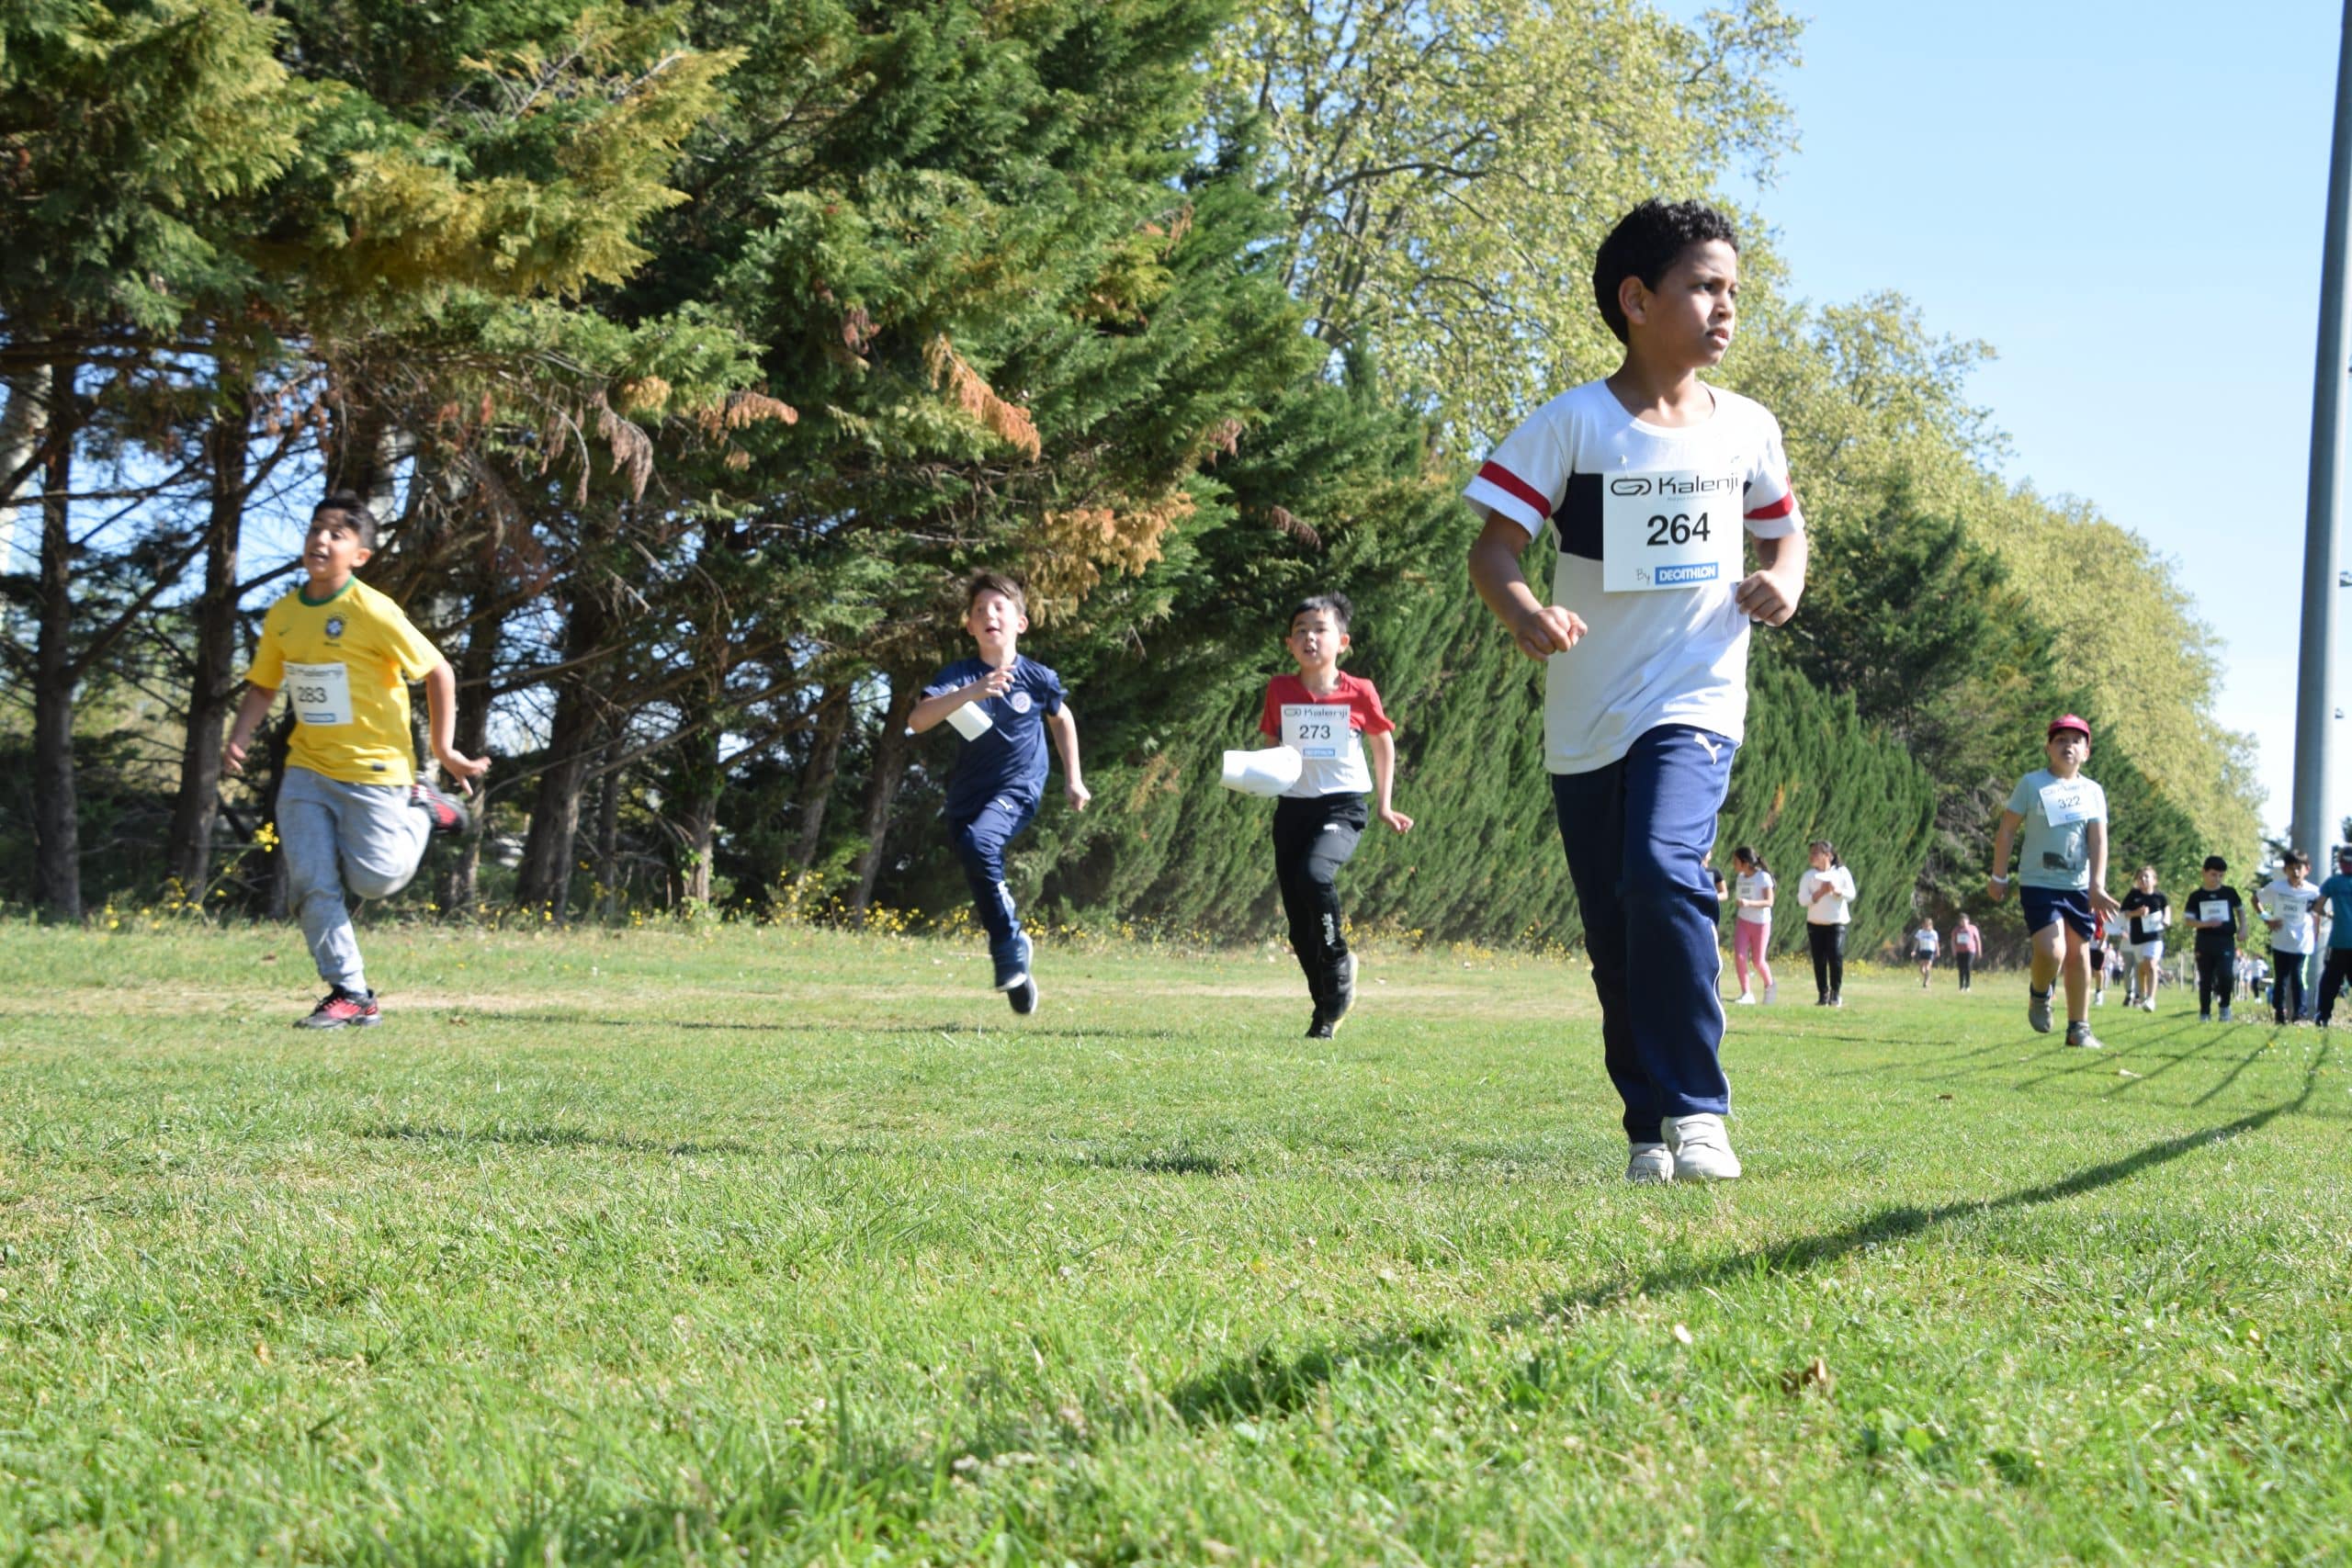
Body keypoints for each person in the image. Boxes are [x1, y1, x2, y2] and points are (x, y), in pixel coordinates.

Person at [1463, 197, 1805, 1184]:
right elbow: (1494, 550)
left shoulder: (1747, 427)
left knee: (1663, 874)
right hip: (1585, 716)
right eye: (1704, 286)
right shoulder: (1569, 425)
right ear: (1635, 298)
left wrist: (1780, 580)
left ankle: (1699, 1108)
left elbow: (1785, 532)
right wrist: (1524, 610)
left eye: (1733, 290)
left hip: (1697, 698)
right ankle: (1646, 1125)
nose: (1726, 307)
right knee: (1616, 931)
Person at [220, 492, 484, 1028]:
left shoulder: (372, 610)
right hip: (306, 771)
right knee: (311, 883)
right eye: (317, 528)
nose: (322, 539)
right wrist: (240, 734)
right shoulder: (285, 615)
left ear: (359, 556)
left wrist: (442, 749)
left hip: (377, 772)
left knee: (375, 880)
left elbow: (438, 671)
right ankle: (351, 992)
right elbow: (264, 685)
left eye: (338, 534)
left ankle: (424, 809)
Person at [909, 572, 1090, 1015]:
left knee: (981, 844)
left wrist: (1074, 778)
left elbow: (1061, 719)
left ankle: (1008, 949)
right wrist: (971, 691)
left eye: (999, 607)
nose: (989, 614)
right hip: (968, 796)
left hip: (1019, 787)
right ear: (969, 626)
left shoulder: (1037, 677)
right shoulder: (958, 676)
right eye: (979, 610)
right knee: (977, 861)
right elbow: (918, 720)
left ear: (1020, 623)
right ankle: (1015, 958)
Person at [1252, 592, 1412, 1038]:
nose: (1309, 638)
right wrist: (1263, 777)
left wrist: (1384, 803)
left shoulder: (1359, 691)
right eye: (1300, 631)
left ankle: (1340, 962)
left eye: (1319, 630)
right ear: (1289, 643)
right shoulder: (1280, 689)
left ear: (1342, 641)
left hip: (1343, 806)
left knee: (1315, 875)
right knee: (1299, 927)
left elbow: (1382, 741)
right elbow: (1272, 745)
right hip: (1293, 809)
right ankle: (1326, 1011)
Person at [1988, 715, 2120, 1049]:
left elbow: (2098, 840)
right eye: (2060, 739)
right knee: (2051, 951)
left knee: (2078, 957)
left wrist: (2098, 885)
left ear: (2087, 752)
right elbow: (2007, 829)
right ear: (2048, 748)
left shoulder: (2092, 791)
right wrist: (1998, 875)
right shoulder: (2032, 784)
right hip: (2039, 882)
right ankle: (2039, 993)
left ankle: (2079, 1029)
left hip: (2078, 887)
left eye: (2076, 741)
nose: (2068, 746)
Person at [2256, 850, 2323, 1026]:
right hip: (2281, 941)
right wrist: (2267, 919)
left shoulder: (2314, 892)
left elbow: (2317, 915)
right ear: (2285, 870)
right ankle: (2279, 1012)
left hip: (2302, 944)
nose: (2295, 872)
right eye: (2291, 868)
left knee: (2299, 978)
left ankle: (2299, 1015)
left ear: (2307, 869)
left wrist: (2316, 934)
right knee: (2281, 979)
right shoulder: (2276, 887)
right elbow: (2256, 899)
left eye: (2299, 868)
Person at [2184, 858, 2245, 1021]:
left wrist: (2243, 927)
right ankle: (2205, 1012)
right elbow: (2188, 921)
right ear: (2204, 872)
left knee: (2226, 974)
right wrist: (2205, 923)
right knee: (2205, 978)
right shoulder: (2196, 896)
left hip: (2225, 939)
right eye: (2213, 875)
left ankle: (2225, 1006)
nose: (2217, 879)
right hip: (2204, 939)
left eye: (2220, 875)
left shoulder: (2229, 892)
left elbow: (2241, 909)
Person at [1797, 841, 1856, 1007]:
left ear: (1828, 856)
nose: (1811, 856)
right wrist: (1820, 893)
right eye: (1811, 853)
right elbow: (1802, 900)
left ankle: (1836, 993)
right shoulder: (1808, 876)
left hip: (1836, 922)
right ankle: (1823, 993)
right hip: (1815, 923)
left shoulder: (1841, 872)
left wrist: (1837, 892)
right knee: (1819, 959)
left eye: (1816, 853)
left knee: (1835, 956)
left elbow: (1851, 893)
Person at [2118, 865, 2169, 1012]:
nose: (2143, 880)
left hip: (2155, 937)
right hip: (2137, 938)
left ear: (2155, 880)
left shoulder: (2160, 897)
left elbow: (2167, 908)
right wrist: (2137, 913)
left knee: (2151, 964)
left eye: (2147, 877)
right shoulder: (2133, 895)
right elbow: (2124, 913)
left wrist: (2167, 919)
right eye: (2140, 877)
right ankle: (2143, 995)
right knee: (2141, 969)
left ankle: (2151, 1000)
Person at [1729, 845, 1776, 1005]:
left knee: (1758, 961)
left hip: (1761, 923)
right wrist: (1742, 903)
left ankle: (1770, 985)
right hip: (1743, 921)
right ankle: (1746, 993)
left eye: (1735, 861)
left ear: (1745, 862)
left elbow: (1769, 901)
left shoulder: (1763, 877)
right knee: (1740, 956)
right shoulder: (1741, 877)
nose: (1733, 864)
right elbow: (1743, 897)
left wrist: (1749, 902)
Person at [2313, 847, 2352, 1027]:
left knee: (2330, 981)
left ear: (2340, 863)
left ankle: (2323, 1016)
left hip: (2338, 941)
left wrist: (2328, 914)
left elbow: (2317, 907)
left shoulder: (2333, 883)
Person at [1951, 912, 1982, 991]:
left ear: (1968, 921)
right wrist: (1954, 950)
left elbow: (1977, 940)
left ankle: (1968, 986)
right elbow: (1953, 941)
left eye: (1964, 921)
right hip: (1960, 951)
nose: (1963, 923)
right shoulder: (1956, 929)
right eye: (1961, 921)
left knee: (1967, 966)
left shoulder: (1973, 928)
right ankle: (1961, 986)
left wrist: (1979, 951)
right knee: (1961, 968)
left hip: (1970, 950)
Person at [2086, 911, 2110, 1009]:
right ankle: (2084, 996)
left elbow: (2106, 929)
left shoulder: (2100, 913)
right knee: (2086, 971)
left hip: (2098, 944)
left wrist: (2101, 945)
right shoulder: (2084, 911)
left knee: (2098, 969)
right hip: (2087, 944)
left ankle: (2099, 994)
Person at [1913, 917, 1939, 987]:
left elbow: (1936, 943)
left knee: (1927, 967)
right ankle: (1928, 977)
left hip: (1930, 952)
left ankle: (1926, 981)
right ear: (1923, 925)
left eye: (1928, 925)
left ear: (1931, 925)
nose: (1926, 927)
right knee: (1921, 969)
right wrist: (1914, 950)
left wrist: (1938, 951)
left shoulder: (1934, 933)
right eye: (1925, 925)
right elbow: (1917, 942)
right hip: (1922, 951)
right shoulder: (1920, 932)